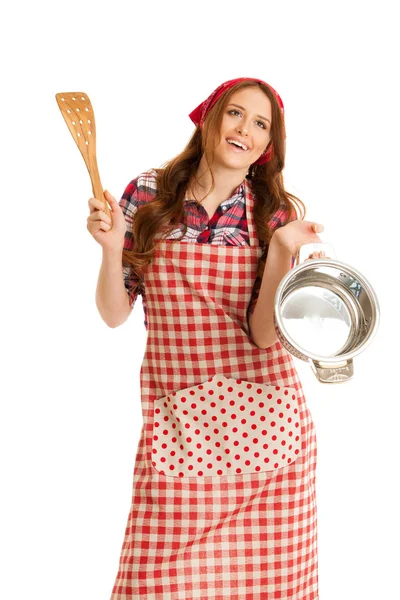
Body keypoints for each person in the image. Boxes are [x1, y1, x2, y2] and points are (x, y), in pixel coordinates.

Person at [87, 77, 324, 600]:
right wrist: (109, 250)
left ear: (268, 146)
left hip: (268, 437)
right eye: (236, 114)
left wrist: (284, 251)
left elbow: (264, 336)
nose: (246, 130)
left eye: (261, 124)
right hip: (179, 430)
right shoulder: (147, 195)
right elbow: (113, 313)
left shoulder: (273, 215)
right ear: (209, 118)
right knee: (150, 585)